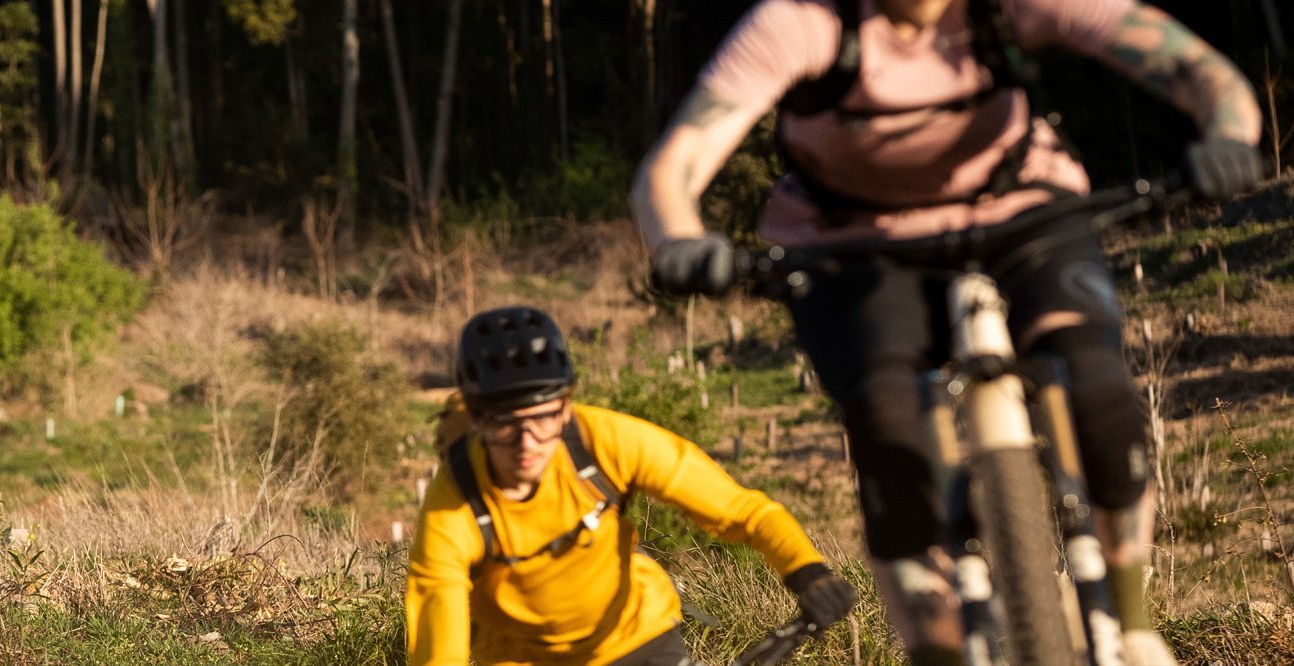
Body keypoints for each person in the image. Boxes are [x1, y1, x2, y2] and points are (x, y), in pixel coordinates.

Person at [630, 1, 1267, 663]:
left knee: (1097, 388)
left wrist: (1227, 136)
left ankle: (1132, 624)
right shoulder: (800, 22)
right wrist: (678, 240)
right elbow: (671, 169)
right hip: (852, 245)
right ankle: (933, 648)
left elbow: (1199, 71)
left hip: (1020, 214)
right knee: (885, 425)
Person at [406, 306, 856, 665]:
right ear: (478, 420)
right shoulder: (454, 504)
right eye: (505, 425)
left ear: (565, 408)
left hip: (637, 637)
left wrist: (807, 572)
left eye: (543, 419)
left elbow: (741, 511)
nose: (527, 443)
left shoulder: (604, 442)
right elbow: (437, 635)